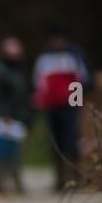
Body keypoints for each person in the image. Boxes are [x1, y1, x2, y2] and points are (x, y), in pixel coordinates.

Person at [33, 26, 93, 190]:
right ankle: (60, 180)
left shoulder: (74, 56)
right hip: (52, 106)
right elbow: (39, 83)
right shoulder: (44, 58)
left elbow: (82, 80)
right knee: (56, 142)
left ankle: (76, 178)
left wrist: (77, 103)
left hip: (70, 105)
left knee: (72, 141)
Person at [0, 37, 32, 194]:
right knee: (2, 151)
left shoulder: (20, 69)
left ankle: (15, 183)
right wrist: (3, 114)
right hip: (5, 118)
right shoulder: (0, 70)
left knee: (15, 151)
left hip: (19, 116)